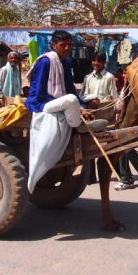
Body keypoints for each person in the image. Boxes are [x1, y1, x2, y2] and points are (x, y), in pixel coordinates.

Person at [25, 30, 107, 192]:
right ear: (54, 45)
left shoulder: (67, 62)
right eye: (63, 45)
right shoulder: (46, 62)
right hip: (41, 104)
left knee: (91, 98)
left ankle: (76, 115)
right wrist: (75, 108)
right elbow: (40, 94)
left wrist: (82, 106)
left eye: (69, 45)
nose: (67, 48)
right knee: (70, 100)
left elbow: (69, 87)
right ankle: (77, 123)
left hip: (59, 101)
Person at [113, 70, 138, 191]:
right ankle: (133, 176)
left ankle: (128, 178)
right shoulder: (125, 89)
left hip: (131, 124)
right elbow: (119, 104)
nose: (123, 75)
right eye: (122, 73)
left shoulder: (135, 88)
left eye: (125, 73)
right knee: (123, 149)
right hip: (122, 123)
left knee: (125, 149)